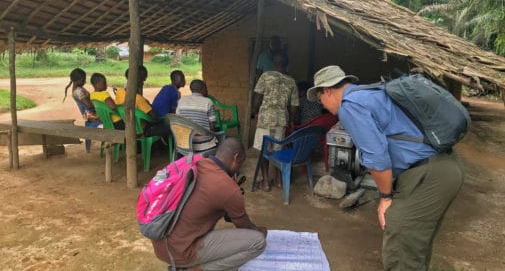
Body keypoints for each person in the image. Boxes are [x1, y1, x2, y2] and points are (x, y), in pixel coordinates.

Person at [306, 65, 464, 271]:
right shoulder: (372, 92)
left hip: (427, 173)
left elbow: (377, 158)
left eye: (320, 101)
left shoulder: (350, 105)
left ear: (327, 90)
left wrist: (386, 197)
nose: (324, 107)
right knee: (415, 248)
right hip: (444, 166)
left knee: (401, 248)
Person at [151, 138, 267, 270]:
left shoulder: (198, 162)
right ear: (236, 157)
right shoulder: (228, 188)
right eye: (240, 163)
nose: (238, 169)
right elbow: (245, 226)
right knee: (258, 242)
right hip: (181, 252)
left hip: (160, 243)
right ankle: (194, 269)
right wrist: (260, 231)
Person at [253, 53, 299, 192]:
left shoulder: (266, 76)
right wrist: (291, 120)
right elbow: (294, 105)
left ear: (273, 62)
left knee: (264, 150)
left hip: (265, 120)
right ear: (287, 64)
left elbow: (258, 97)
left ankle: (266, 182)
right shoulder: (291, 81)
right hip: (281, 121)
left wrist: (256, 112)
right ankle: (279, 181)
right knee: (278, 150)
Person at [115, 66, 170, 138]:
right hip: (142, 130)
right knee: (170, 126)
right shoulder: (138, 99)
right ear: (137, 80)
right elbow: (154, 117)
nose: (143, 83)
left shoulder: (119, 91)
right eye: (143, 80)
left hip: (126, 125)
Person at [63, 68, 100, 152]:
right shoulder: (78, 91)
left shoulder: (78, 89)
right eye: (83, 80)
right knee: (112, 118)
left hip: (88, 114)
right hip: (91, 115)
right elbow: (89, 105)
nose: (85, 81)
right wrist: (99, 104)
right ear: (77, 80)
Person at [176, 79, 218, 151]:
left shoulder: (182, 100)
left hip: (184, 143)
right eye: (206, 88)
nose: (207, 91)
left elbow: (178, 120)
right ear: (202, 89)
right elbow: (212, 127)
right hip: (203, 144)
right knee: (218, 136)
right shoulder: (208, 101)